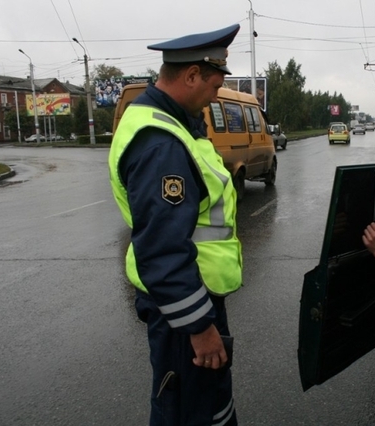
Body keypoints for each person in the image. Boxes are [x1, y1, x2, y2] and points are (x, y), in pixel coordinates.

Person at [108, 24, 243, 426]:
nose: (214, 96)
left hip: (191, 299)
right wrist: (199, 327)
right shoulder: (161, 142)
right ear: (190, 76)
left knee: (209, 404)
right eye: (214, 86)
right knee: (188, 412)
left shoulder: (173, 124)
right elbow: (163, 248)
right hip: (182, 311)